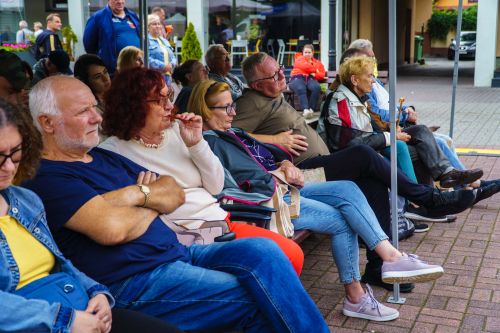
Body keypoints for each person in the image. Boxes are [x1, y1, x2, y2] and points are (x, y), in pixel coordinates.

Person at [23, 75, 330, 332]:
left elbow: (173, 191)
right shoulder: (47, 175)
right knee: (261, 298)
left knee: (265, 252)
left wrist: (134, 198)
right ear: (48, 123)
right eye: (83, 112)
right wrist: (148, 197)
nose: (97, 117)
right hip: (133, 280)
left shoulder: (104, 158)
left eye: (95, 106)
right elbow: (111, 228)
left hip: (179, 253)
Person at [233, 52, 496, 291]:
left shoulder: (273, 96)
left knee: (374, 180)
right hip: (303, 174)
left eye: (280, 69)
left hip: (319, 164)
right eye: (274, 75)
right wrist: (274, 141)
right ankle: (427, 199)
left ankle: (377, 269)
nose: (282, 75)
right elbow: (227, 134)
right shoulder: (251, 103)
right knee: (363, 155)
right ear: (256, 85)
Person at [190, 79, 446, 321]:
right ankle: (366, 285)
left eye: (232, 105)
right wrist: (278, 174)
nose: (233, 112)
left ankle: (387, 258)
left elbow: (268, 157)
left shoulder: (231, 132)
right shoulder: (210, 141)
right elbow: (237, 182)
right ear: (204, 109)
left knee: (348, 187)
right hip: (269, 201)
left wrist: (285, 163)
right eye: (226, 107)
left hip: (285, 186)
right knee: (344, 212)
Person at [0, 98, 183, 333]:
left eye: (16, 153)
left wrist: (96, 292)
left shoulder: (25, 200)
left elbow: (61, 263)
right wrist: (64, 320)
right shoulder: (48, 182)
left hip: (75, 305)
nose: (9, 167)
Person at [100, 67, 304, 274]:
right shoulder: (113, 151)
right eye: (160, 100)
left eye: (169, 96)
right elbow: (111, 211)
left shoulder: (178, 132)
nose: (171, 106)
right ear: (133, 105)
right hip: (180, 239)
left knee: (291, 255)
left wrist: (196, 144)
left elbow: (216, 185)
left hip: (219, 224)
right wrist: (145, 196)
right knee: (277, 265)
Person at [83, 0, 140, 74]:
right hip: (113, 71)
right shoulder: (97, 17)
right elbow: (89, 45)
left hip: (136, 67)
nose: (120, 1)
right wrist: (104, 60)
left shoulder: (133, 16)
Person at [288, 44, 326, 115]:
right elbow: (306, 67)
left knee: (316, 87)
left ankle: (311, 109)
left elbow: (322, 74)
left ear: (313, 52)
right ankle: (305, 109)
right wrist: (314, 69)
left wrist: (315, 74)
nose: (307, 54)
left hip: (309, 78)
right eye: (305, 52)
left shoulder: (318, 62)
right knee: (301, 88)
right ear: (303, 53)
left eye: (309, 52)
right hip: (297, 77)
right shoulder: (299, 59)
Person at [74, 53, 111, 118]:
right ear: (83, 81)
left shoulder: (116, 96)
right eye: (98, 76)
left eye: (105, 72)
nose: (105, 79)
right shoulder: (90, 109)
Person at [147, 14, 177, 86]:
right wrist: (163, 66)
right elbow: (146, 58)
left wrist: (171, 65)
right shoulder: (145, 41)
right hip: (154, 78)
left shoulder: (164, 40)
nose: (157, 26)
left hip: (168, 77)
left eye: (159, 24)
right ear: (148, 27)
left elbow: (173, 57)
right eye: (154, 24)